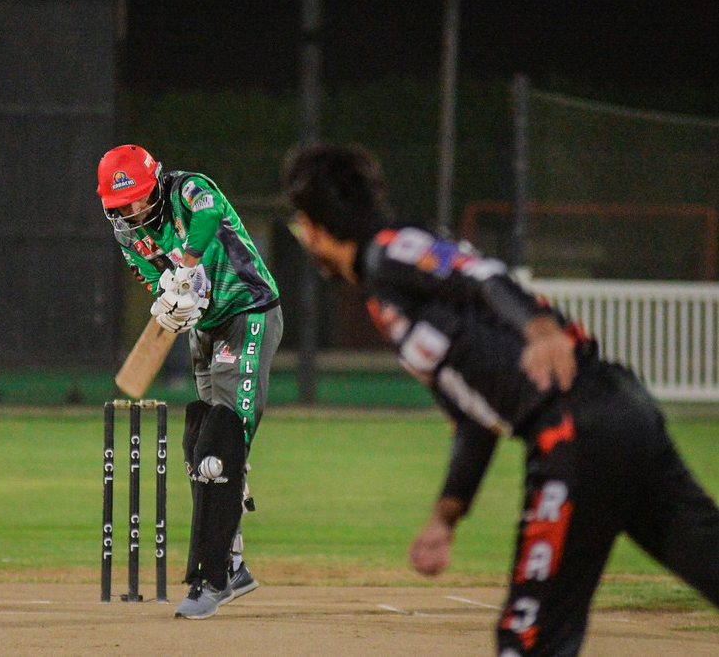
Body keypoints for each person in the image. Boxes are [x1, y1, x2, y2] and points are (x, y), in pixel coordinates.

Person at [281, 141, 719, 657]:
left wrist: (541, 328)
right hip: (619, 415)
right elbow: (474, 421)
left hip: (575, 427)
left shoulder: (391, 249)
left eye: (301, 226)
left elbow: (481, 274)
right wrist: (445, 517)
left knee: (526, 641)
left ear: (315, 225)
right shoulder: (386, 295)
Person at [97, 145, 283, 619]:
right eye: (121, 206)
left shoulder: (187, 188)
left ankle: (213, 577)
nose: (130, 212)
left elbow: (209, 214)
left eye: (136, 200)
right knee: (200, 448)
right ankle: (234, 564)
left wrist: (187, 266)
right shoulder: (129, 234)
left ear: (154, 185)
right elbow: (153, 277)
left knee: (221, 445)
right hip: (207, 327)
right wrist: (170, 303)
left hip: (248, 311)